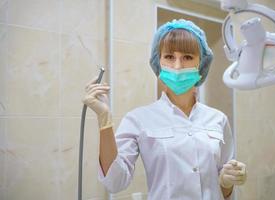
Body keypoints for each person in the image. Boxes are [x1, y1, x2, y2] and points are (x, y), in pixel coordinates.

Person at [82, 19, 247, 200]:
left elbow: (224, 192)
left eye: (187, 57)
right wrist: (104, 118)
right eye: (169, 57)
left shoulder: (218, 119)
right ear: (158, 62)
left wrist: (226, 182)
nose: (177, 66)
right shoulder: (139, 119)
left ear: (201, 64)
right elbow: (115, 182)